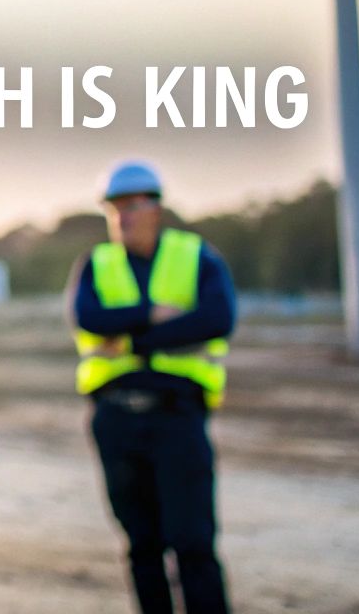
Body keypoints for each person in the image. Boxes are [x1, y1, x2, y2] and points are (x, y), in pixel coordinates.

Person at [67, 160, 236, 614]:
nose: (123, 216)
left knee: (193, 542)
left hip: (176, 416)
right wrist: (151, 315)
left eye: (133, 206)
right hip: (116, 419)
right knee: (142, 545)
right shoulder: (96, 264)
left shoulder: (196, 256)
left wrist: (129, 340)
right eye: (115, 208)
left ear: (156, 207)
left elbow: (218, 319)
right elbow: (88, 318)